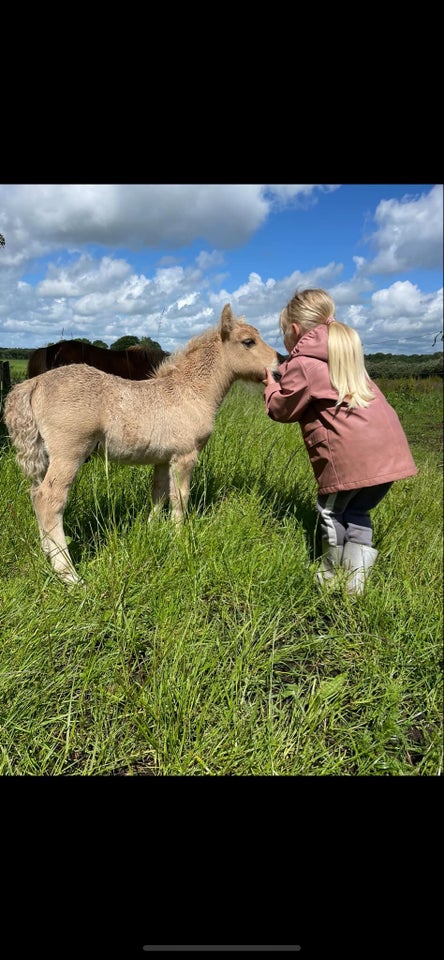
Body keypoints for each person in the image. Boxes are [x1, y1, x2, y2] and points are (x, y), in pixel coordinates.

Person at [263, 288, 418, 594]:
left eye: (283, 334)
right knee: (357, 513)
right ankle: (355, 586)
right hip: (390, 455)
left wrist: (270, 386)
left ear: (294, 331)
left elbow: (282, 410)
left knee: (331, 512)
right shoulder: (345, 355)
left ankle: (329, 578)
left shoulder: (303, 363)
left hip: (352, 464)